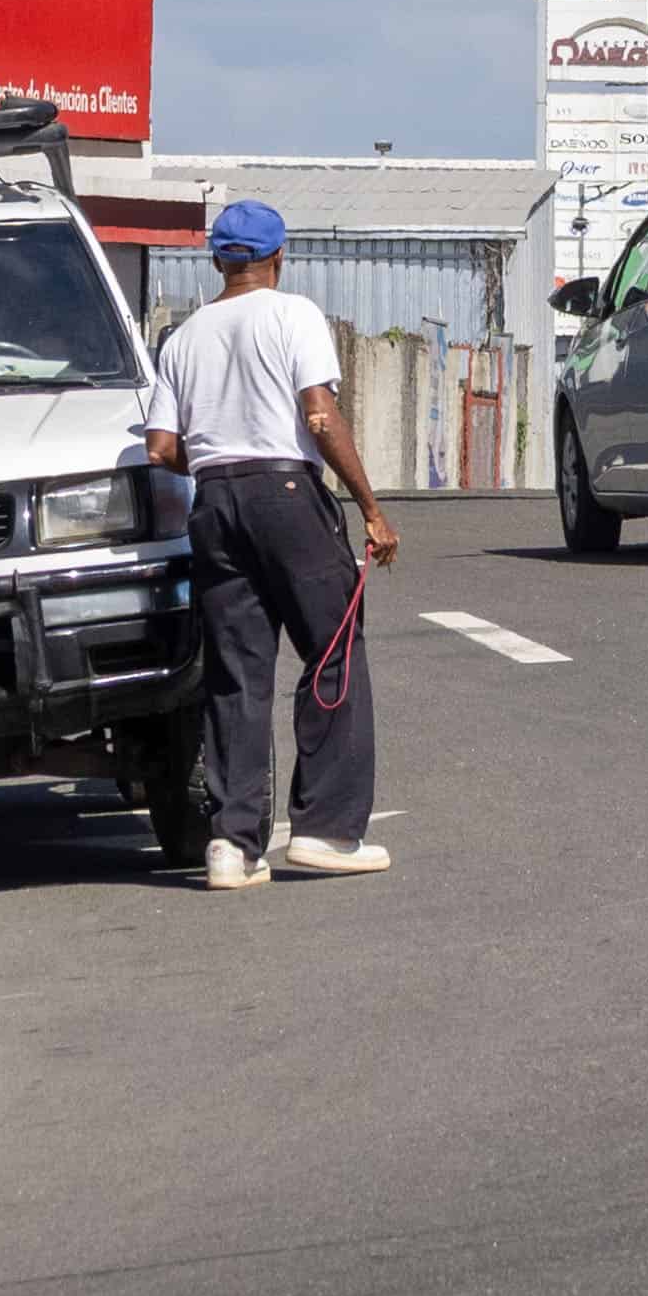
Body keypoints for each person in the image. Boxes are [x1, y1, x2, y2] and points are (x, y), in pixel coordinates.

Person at [144, 199, 399, 891]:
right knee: (333, 646)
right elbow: (318, 413)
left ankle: (232, 844)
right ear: (278, 258)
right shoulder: (293, 316)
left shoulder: (184, 337)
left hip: (213, 501)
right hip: (284, 494)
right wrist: (371, 507)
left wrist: (216, 465)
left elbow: (163, 446)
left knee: (236, 670)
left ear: (217, 261)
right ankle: (326, 828)